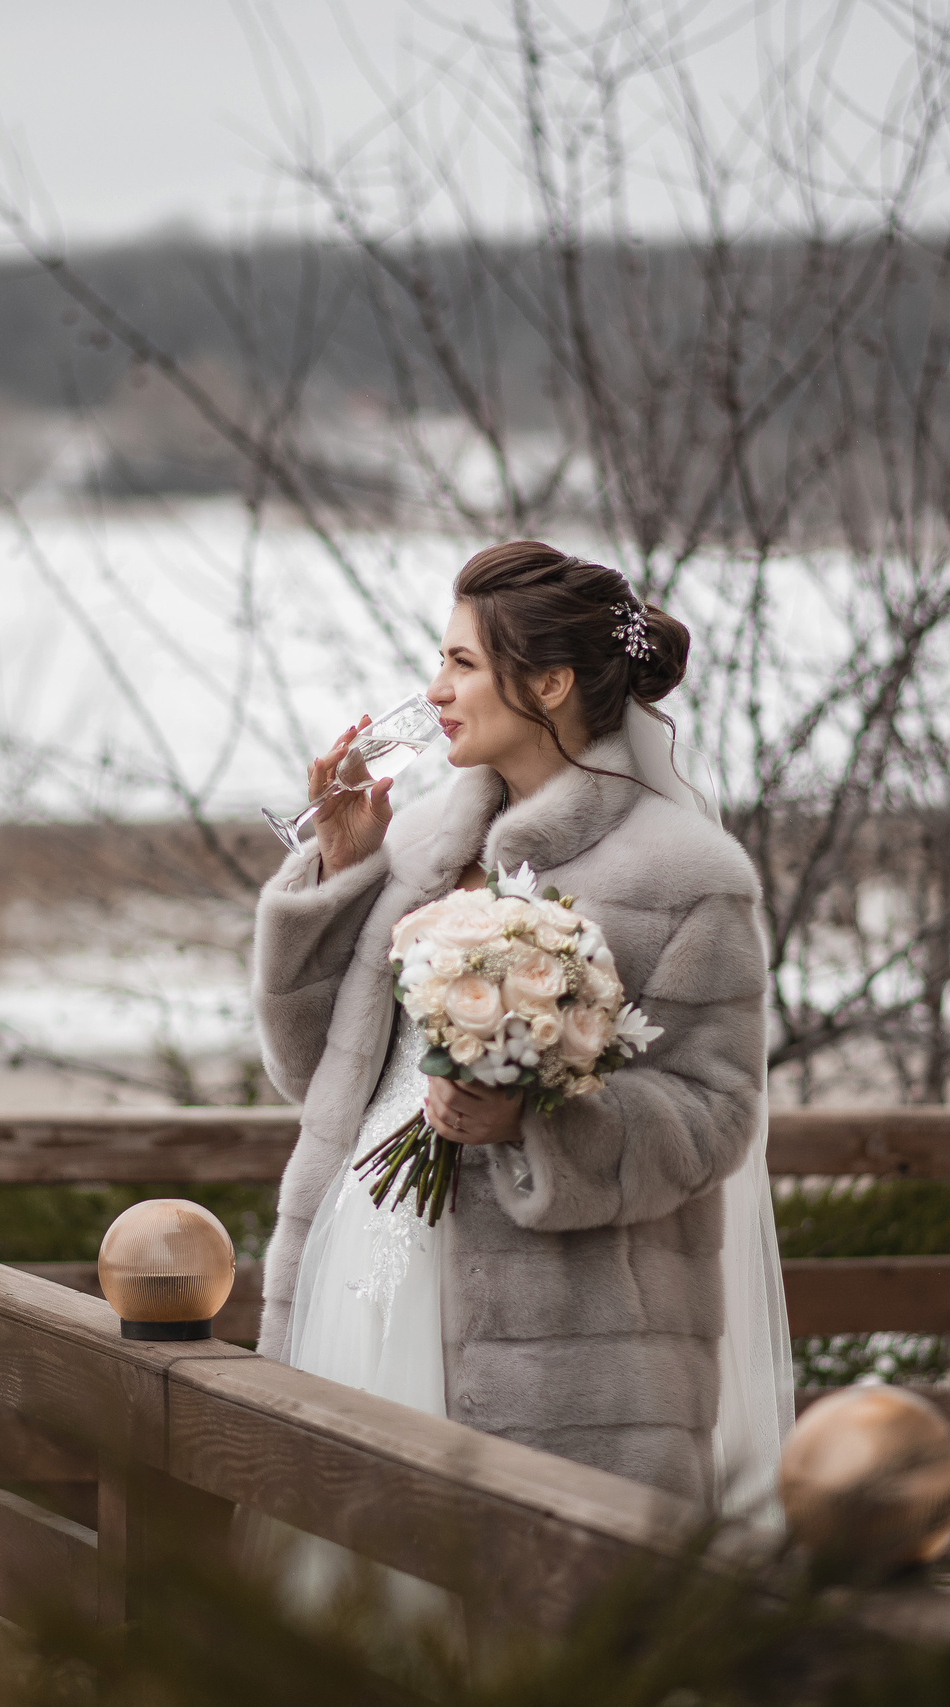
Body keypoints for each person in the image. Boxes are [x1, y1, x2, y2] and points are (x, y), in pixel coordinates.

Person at [253, 540, 793, 1506]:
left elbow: (715, 1117)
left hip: (567, 1355)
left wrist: (533, 1124)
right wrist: (341, 872)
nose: (436, 689)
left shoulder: (685, 877)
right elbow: (318, 1074)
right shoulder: (417, 844)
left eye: (461, 663)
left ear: (546, 682)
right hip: (360, 1279)